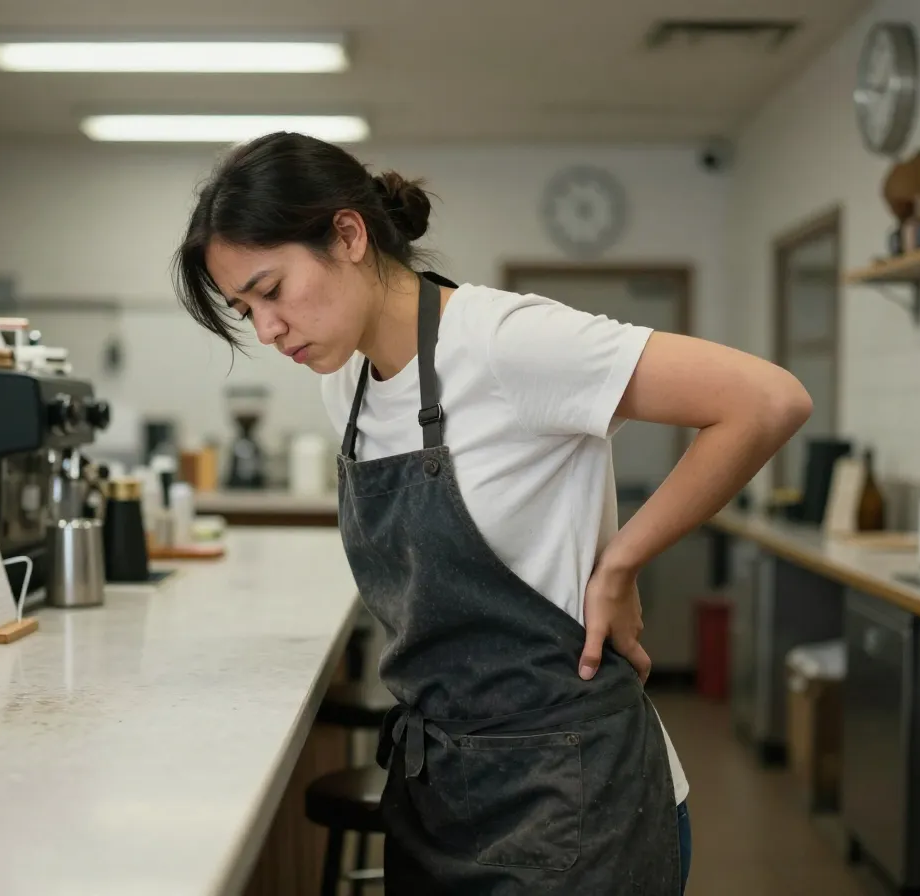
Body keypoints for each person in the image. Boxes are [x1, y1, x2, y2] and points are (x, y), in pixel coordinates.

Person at [175, 132, 812, 895]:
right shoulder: (346, 386)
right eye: (245, 310)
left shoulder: (507, 342)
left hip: (580, 806)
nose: (267, 329)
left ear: (348, 235)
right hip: (441, 794)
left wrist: (622, 561)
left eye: (271, 290)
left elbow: (766, 401)